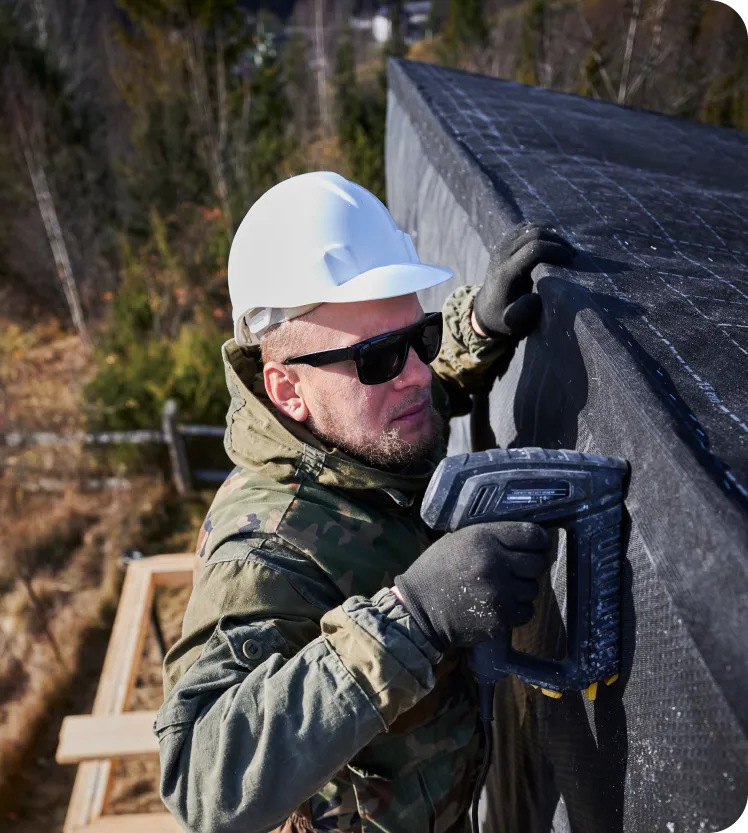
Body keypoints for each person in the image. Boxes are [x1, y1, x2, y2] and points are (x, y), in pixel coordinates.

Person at [154, 171, 576, 833]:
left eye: (420, 336)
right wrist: (413, 617)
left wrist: (471, 326)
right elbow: (201, 779)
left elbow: (410, 393)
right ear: (287, 389)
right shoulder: (265, 552)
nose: (413, 370)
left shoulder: (352, 429)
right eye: (379, 356)